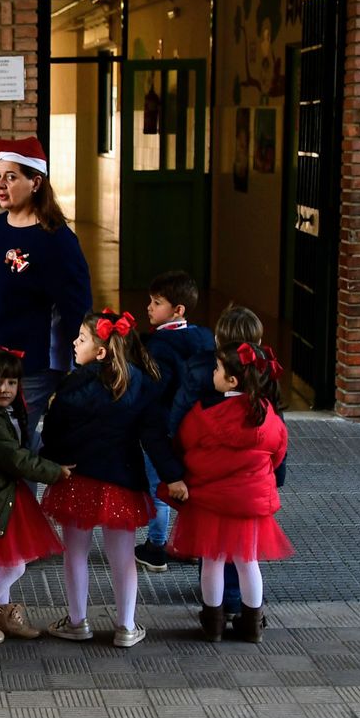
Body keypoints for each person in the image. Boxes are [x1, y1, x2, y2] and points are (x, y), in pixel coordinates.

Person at [39, 311, 185, 647]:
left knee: (75, 553)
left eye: (82, 338)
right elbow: (154, 438)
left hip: (77, 479)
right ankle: (126, 626)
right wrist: (173, 476)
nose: (74, 343)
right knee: (122, 557)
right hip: (122, 481)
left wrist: (50, 462)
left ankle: (77, 622)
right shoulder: (141, 385)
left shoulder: (71, 385)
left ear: (101, 352)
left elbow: (55, 433)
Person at [0, 136, 92, 447]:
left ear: (35, 182)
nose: (0, 185)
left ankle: (26, 499)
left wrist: (83, 366)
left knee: (14, 450)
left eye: (11, 176)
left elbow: (77, 306)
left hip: (26, 369)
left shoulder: (56, 239)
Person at [163, 341, 293, 643]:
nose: (213, 372)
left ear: (232, 381)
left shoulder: (204, 413)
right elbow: (277, 454)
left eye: (217, 368)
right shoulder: (268, 415)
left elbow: (184, 442)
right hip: (249, 503)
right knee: (248, 562)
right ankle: (251, 624)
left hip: (211, 503)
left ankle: (214, 623)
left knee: (213, 561)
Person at [0, 346, 68, 644]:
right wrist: (56, 472)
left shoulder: (3, 412)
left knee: (8, 559)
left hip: (4, 492)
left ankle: (2, 614)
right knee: (15, 564)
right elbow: (17, 459)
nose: (5, 389)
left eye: (11, 382)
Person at [208, 305, 286, 624]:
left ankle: (216, 614)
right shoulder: (268, 396)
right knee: (247, 556)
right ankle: (250, 618)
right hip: (255, 493)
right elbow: (279, 447)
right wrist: (274, 479)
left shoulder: (213, 394)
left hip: (215, 493)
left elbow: (198, 446)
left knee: (214, 555)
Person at [138, 271, 217, 573]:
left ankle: (156, 547)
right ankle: (194, 546)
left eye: (156, 302)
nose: (149, 307)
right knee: (191, 488)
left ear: (178, 309)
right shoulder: (204, 338)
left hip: (164, 428)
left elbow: (153, 394)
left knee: (161, 489)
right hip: (196, 428)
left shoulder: (158, 348)